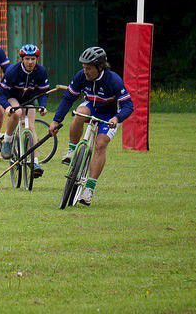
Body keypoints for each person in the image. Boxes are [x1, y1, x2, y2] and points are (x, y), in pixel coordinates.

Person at [49, 46, 134, 206]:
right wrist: (56, 121)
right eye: (84, 68)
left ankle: (89, 188)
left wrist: (117, 118)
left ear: (100, 67)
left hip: (110, 115)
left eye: (89, 68)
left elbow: (129, 105)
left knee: (100, 145)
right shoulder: (81, 76)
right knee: (79, 113)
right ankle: (72, 150)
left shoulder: (113, 80)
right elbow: (68, 98)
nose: (85, 71)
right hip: (91, 106)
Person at [0, 44, 49, 178]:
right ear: (22, 59)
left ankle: (35, 162)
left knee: (31, 127)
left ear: (37, 59)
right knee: (17, 113)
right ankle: (7, 141)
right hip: (13, 98)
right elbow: (1, 93)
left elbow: (44, 92)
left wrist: (43, 106)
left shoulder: (41, 71)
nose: (30, 62)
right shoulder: (12, 71)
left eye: (33, 59)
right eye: (27, 59)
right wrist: (7, 107)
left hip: (29, 100)